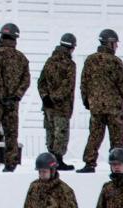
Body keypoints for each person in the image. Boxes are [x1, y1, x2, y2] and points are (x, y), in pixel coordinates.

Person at [78, 28, 123, 173]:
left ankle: (89, 163)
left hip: (96, 106)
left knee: (94, 136)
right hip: (114, 108)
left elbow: (84, 82)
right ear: (110, 43)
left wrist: (86, 100)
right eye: (115, 43)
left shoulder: (90, 60)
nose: (116, 46)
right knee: (117, 140)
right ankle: (118, 166)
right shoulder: (115, 62)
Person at [0, 22, 30, 172]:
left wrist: (1, 97)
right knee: (11, 133)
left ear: (2, 36)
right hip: (13, 103)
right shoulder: (22, 58)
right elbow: (26, 80)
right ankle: (11, 164)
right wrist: (15, 96)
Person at [38, 33, 78, 170]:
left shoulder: (50, 61)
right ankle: (58, 160)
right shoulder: (70, 65)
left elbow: (41, 82)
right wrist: (56, 99)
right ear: (72, 48)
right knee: (61, 133)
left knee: (50, 131)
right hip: (62, 107)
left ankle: (50, 159)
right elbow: (68, 86)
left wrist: (46, 97)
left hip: (48, 106)